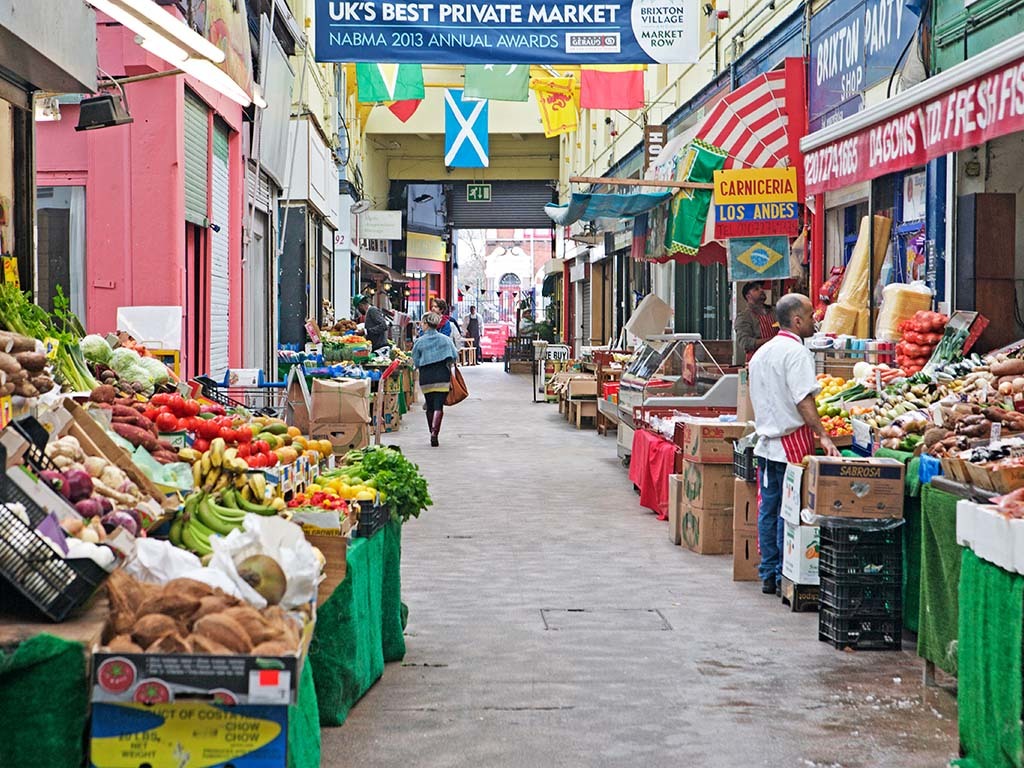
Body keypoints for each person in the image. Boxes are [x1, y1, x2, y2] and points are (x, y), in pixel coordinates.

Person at [748, 293, 840, 596]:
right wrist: (823, 434)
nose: (816, 320)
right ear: (797, 320)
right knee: (788, 512)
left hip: (766, 442)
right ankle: (780, 574)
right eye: (811, 315)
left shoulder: (763, 352)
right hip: (790, 444)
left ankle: (768, 573)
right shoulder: (796, 353)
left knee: (769, 508)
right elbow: (804, 399)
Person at [412, 312, 458, 447]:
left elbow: (415, 360)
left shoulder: (420, 341)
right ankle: (435, 433)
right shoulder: (445, 340)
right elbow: (454, 356)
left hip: (426, 377)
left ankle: (430, 431)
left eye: (422, 323)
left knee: (430, 405)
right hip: (442, 376)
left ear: (426, 324)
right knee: (439, 405)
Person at [733, 282, 778, 365]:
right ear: (748, 296)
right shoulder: (744, 317)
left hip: (777, 360)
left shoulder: (775, 312)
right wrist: (772, 340)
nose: (761, 290)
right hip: (757, 363)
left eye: (761, 287)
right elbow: (745, 343)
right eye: (756, 289)